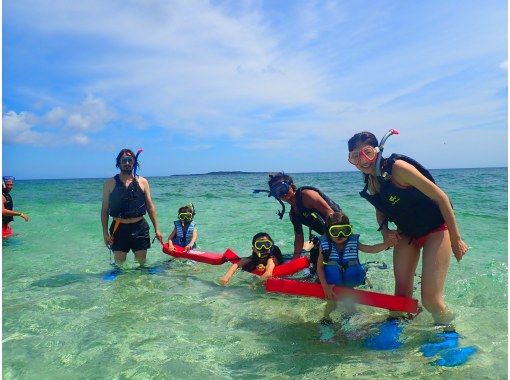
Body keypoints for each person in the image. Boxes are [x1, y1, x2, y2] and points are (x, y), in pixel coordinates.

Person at [347, 131, 468, 326]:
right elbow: (381, 210)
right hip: (407, 233)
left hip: (435, 230)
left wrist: (456, 239)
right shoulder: (371, 181)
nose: (362, 160)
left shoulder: (399, 169)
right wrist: (386, 231)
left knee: (431, 300)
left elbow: (441, 198)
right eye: (354, 156)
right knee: (400, 299)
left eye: (366, 152)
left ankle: (449, 329)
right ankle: (403, 330)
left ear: (377, 151)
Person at [317, 211, 394, 330]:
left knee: (350, 306)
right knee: (331, 304)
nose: (340, 235)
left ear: (350, 231)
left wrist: (386, 244)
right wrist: (325, 286)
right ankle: (326, 319)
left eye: (345, 230)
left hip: (350, 282)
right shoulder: (325, 245)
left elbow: (370, 249)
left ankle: (348, 320)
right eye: (335, 231)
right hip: (333, 284)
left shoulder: (353, 242)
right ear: (328, 232)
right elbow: (320, 267)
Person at [267, 172, 341, 273]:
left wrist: (336, 241)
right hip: (326, 237)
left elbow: (330, 214)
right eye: (277, 192)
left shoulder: (306, 195)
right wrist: (294, 261)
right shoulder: (293, 214)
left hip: (339, 231)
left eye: (283, 188)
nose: (283, 193)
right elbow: (299, 237)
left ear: (291, 185)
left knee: (319, 256)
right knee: (314, 258)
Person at [101, 149, 163, 267]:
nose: (127, 163)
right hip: (118, 228)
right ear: (119, 163)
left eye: (130, 160)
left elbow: (150, 207)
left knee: (141, 264)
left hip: (140, 227)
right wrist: (105, 233)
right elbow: (104, 210)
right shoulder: (109, 183)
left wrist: (157, 229)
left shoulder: (143, 182)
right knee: (120, 265)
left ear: (134, 162)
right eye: (124, 160)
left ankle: (141, 284)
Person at [219, 232, 284, 285]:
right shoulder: (252, 257)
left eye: (267, 244)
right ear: (254, 249)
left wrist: (254, 283)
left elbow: (268, 273)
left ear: (270, 246)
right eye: (259, 245)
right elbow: (236, 265)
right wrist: (226, 277)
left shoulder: (271, 259)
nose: (263, 247)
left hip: (275, 258)